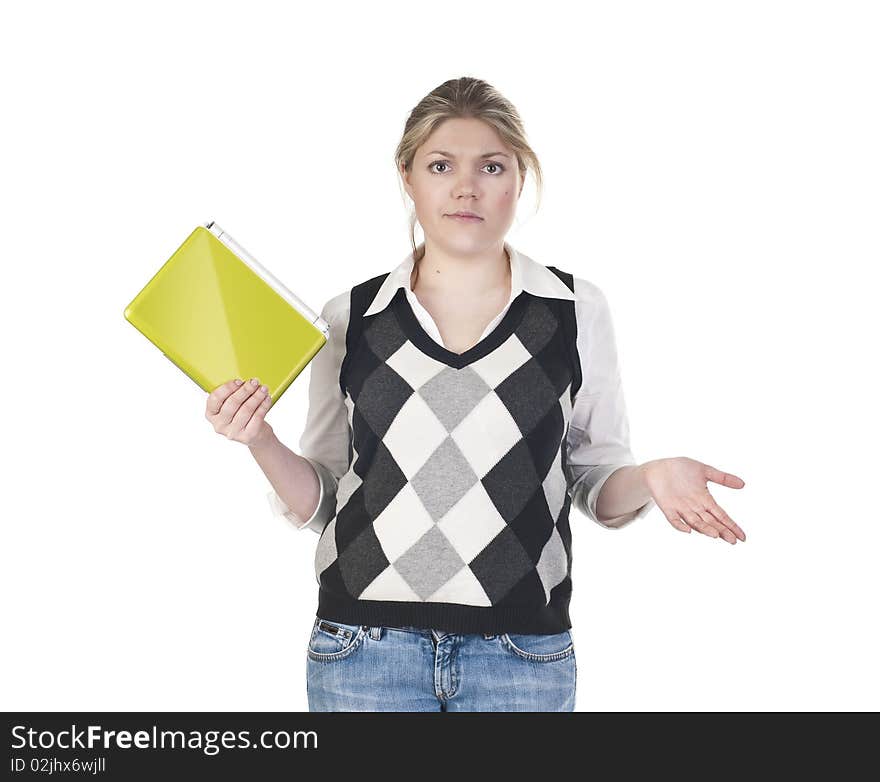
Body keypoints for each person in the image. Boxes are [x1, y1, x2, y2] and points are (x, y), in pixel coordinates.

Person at [204, 76, 747, 712]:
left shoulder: (573, 310)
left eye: (492, 166)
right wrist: (258, 439)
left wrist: (652, 475)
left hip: (521, 659)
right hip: (363, 654)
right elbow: (323, 496)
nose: (467, 187)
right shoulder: (350, 316)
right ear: (408, 177)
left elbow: (595, 482)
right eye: (441, 165)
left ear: (521, 179)